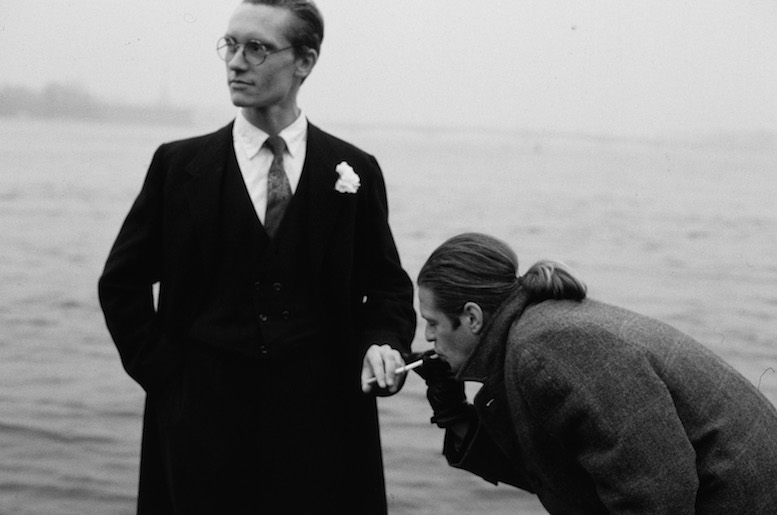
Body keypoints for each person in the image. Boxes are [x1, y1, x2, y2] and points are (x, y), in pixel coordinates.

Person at [98, 1, 416, 513]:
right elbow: (121, 284)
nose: (236, 62)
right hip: (198, 428)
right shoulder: (178, 165)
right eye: (230, 44)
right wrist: (167, 381)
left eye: (257, 48)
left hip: (324, 426)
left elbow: (387, 287)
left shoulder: (355, 169)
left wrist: (383, 341)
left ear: (305, 61)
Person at [414, 232, 777, 514]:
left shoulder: (545, 349)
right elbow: (554, 476)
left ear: (473, 317)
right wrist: (455, 415)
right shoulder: (530, 336)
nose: (428, 337)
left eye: (432, 323)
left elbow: (659, 493)